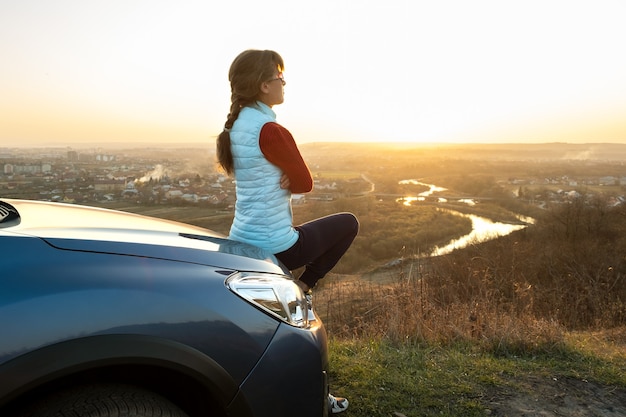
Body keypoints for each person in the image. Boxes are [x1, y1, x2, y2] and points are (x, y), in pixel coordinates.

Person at [216, 49, 358, 414]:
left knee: (264, 332)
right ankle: (305, 285)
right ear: (264, 85)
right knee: (348, 224)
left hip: (241, 240)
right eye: (279, 76)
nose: (284, 82)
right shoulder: (272, 129)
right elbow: (305, 182)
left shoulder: (235, 128)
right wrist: (289, 178)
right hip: (278, 244)